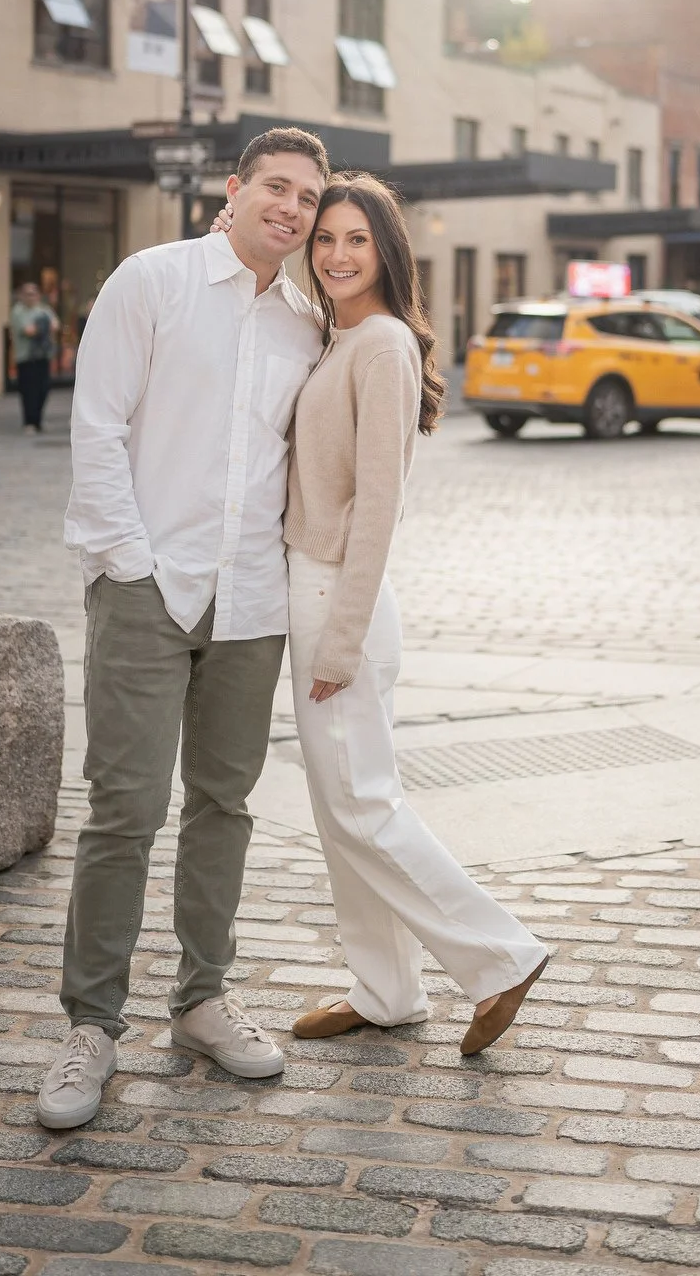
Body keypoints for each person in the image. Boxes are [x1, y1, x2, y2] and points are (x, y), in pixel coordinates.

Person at [36, 127, 329, 1131]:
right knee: (125, 805)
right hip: (147, 590)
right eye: (276, 189)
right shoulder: (150, 280)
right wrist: (133, 565)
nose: (290, 210)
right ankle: (91, 1026)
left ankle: (202, 998)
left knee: (226, 803)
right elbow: (97, 425)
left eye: (307, 199)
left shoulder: (307, 323)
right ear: (235, 190)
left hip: (253, 601)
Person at [217, 173, 549, 1051]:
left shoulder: (382, 346)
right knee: (341, 807)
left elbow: (379, 506)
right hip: (313, 589)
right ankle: (386, 989)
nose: (334, 254)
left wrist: (341, 637)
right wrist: (234, 224)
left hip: (339, 596)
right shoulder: (340, 333)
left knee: (362, 803)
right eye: (323, 238)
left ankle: (500, 955)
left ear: (387, 251)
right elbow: (267, 288)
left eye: (356, 240)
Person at [9, 282, 59, 435]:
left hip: (43, 356)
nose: (32, 297)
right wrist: (43, 326)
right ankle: (29, 422)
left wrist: (41, 327)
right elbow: (28, 330)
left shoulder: (44, 309)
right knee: (28, 391)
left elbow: (55, 325)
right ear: (22, 296)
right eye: (28, 294)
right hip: (26, 358)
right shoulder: (18, 311)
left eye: (34, 293)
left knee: (43, 390)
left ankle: (38, 421)